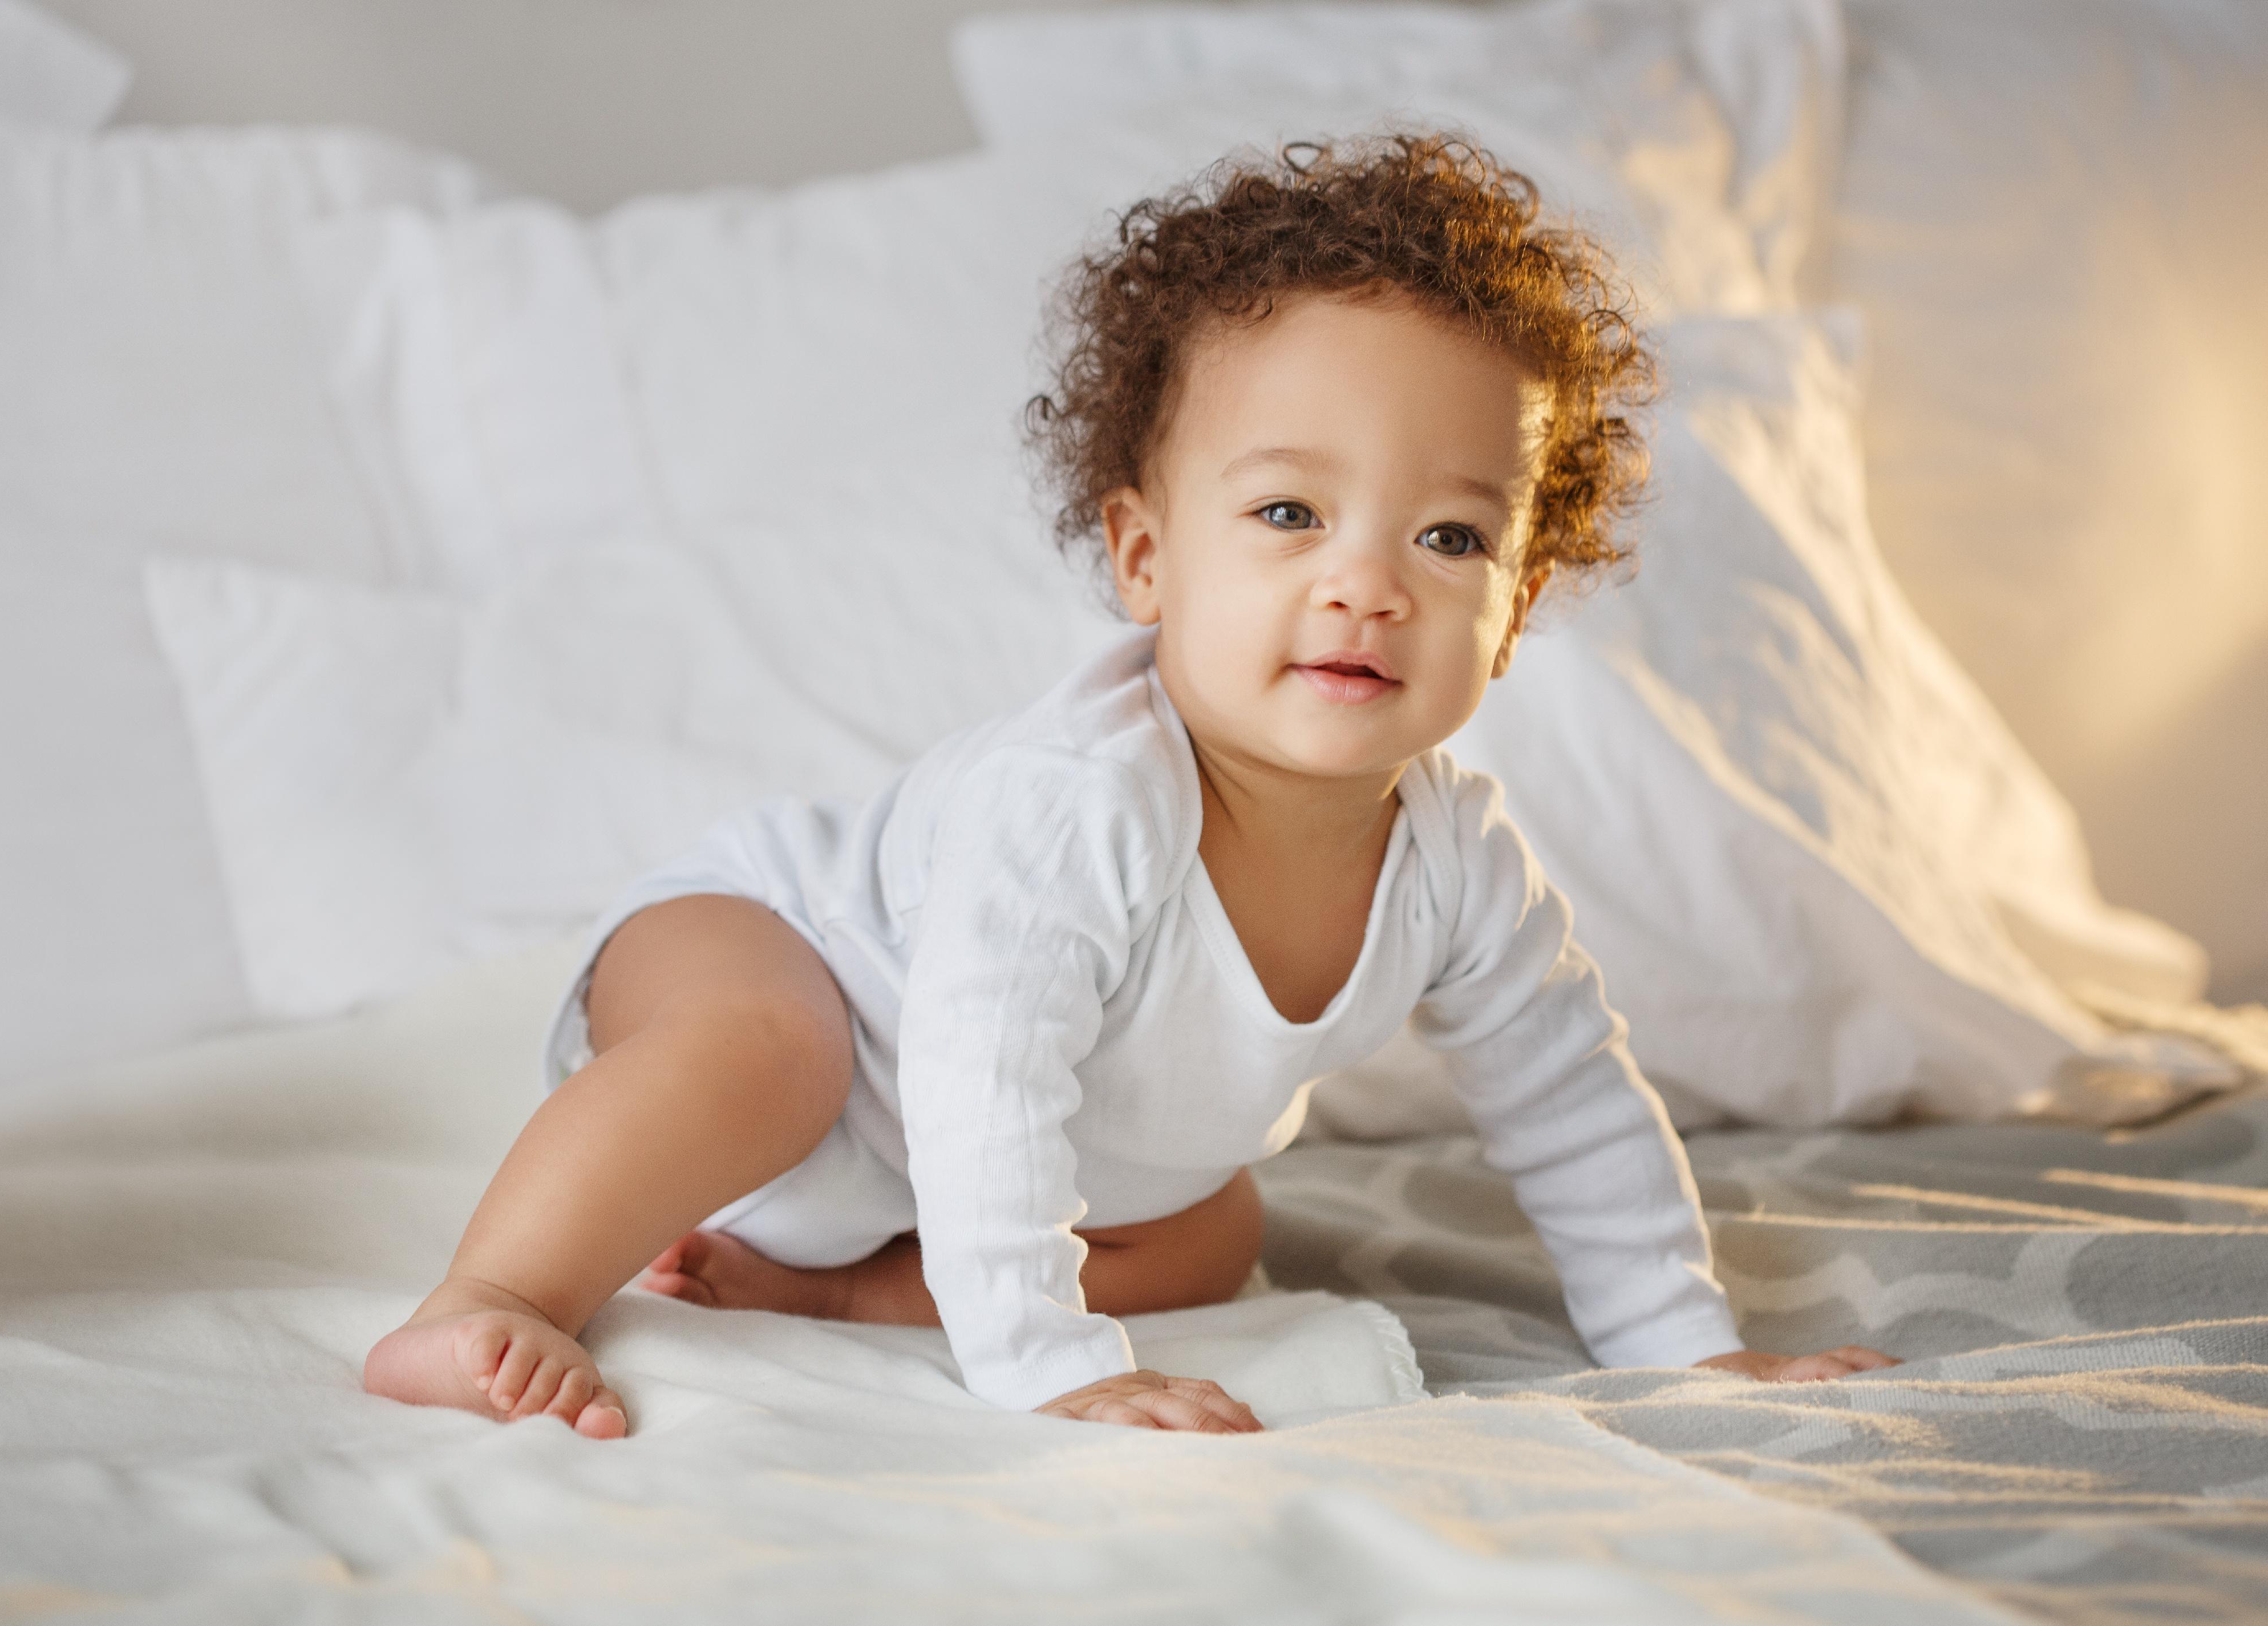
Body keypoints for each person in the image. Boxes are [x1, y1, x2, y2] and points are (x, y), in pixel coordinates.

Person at [364, 134, 1896, 1440]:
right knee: (774, 1046)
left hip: (947, 1177)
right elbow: (979, 1068)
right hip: (784, 952)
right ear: (1147, 557)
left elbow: (1570, 1096)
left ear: (1522, 594)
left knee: (1217, 1227)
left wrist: (1685, 1344)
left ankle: (824, 1289)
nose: (1367, 584)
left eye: (1449, 537)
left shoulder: (1459, 865)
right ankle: (487, 1296)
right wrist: (1052, 1369)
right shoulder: (1082, 803)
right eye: (1291, 512)